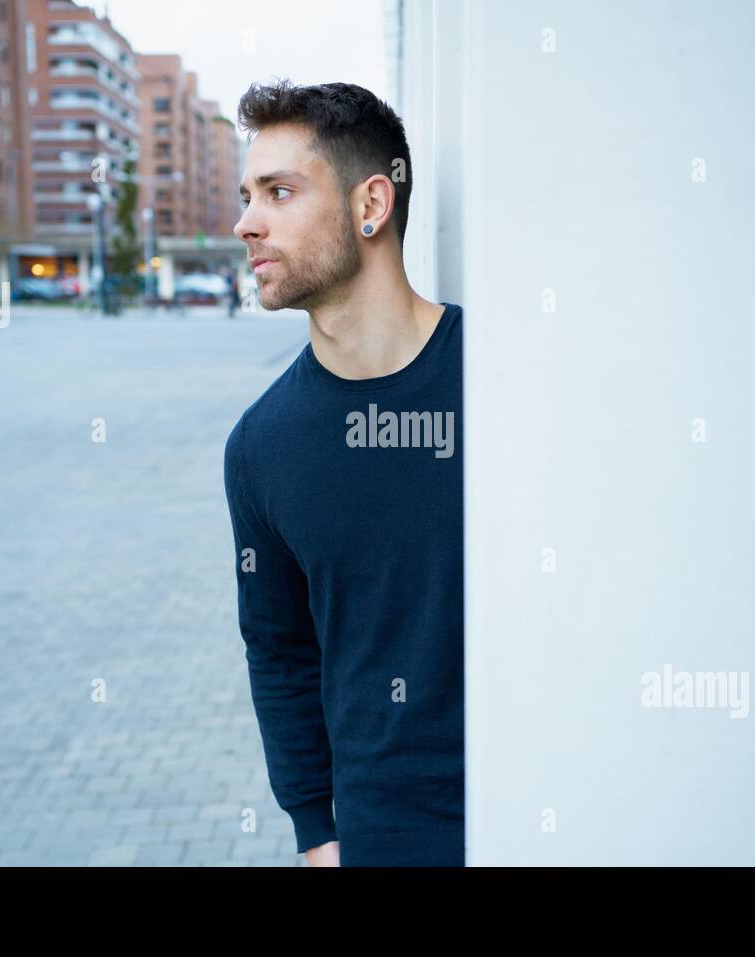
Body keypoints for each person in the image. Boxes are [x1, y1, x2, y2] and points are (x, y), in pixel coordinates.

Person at [223, 79, 463, 867]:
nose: (245, 222)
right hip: (379, 835)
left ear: (371, 204)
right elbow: (279, 651)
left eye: (278, 192)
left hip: (544, 801)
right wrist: (315, 834)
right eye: (247, 194)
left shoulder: (502, 380)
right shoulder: (261, 445)